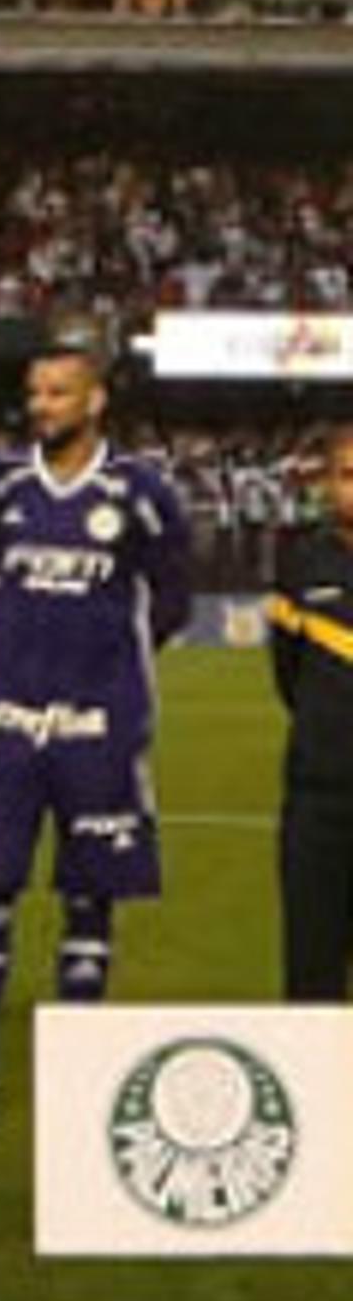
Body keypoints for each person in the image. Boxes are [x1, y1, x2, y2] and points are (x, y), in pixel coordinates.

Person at [0, 346, 191, 1136]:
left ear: (95, 399)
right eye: (34, 391)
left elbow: (172, 596)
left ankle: (77, 1079)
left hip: (100, 728)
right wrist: (11, 658)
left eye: (58, 391)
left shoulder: (141, 493)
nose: (41, 404)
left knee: (90, 896)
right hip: (10, 726)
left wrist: (105, 673)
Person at [269, 426, 353, 1002]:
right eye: (348, 475)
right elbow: (289, 676)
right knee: (312, 968)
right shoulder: (301, 565)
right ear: (326, 483)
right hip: (321, 798)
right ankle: (321, 1092)